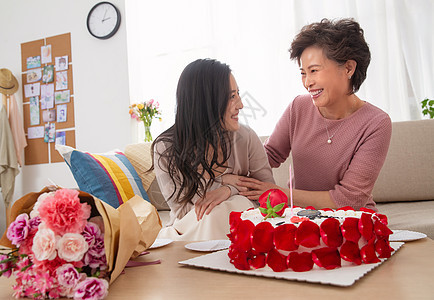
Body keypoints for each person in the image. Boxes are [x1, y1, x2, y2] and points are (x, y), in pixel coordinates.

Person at [238, 18, 392, 212]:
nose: (307, 82)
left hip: (351, 222)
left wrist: (279, 193)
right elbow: (267, 156)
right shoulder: (298, 107)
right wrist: (224, 176)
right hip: (299, 218)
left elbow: (348, 199)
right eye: (303, 73)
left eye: (314, 71)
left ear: (348, 68)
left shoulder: (376, 123)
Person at [152, 59, 275, 240]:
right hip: (193, 230)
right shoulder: (166, 148)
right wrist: (225, 181)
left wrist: (228, 189)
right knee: (212, 213)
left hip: (240, 231)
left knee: (232, 206)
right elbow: (184, 212)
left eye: (238, 94)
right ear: (206, 102)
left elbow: (268, 197)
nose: (240, 105)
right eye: (231, 96)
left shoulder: (246, 137)